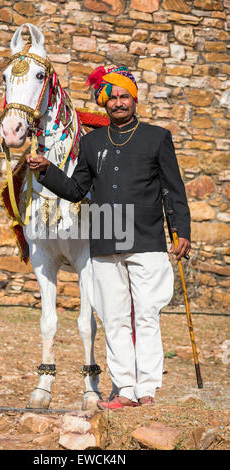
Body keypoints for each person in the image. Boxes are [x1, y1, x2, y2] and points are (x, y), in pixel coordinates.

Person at [27, 65, 191, 409]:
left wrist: (181, 232)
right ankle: (124, 390)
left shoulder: (157, 137)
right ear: (104, 103)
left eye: (123, 96)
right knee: (113, 317)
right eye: (112, 97)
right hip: (104, 238)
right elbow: (75, 189)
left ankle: (147, 388)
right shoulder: (91, 143)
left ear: (134, 99)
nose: (118, 103)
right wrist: (46, 169)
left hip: (146, 238)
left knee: (145, 314)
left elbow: (172, 190)